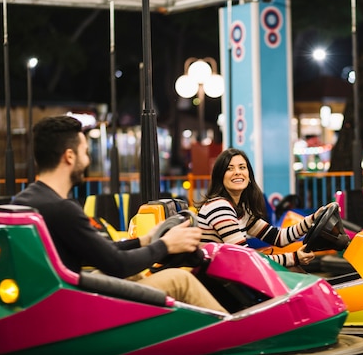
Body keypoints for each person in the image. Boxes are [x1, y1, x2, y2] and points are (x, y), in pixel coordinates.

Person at [13, 115, 227, 313]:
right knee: (180, 280)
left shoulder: (28, 199)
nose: (87, 161)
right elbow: (117, 264)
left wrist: (143, 240)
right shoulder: (62, 209)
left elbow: (100, 251)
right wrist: (165, 246)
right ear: (69, 156)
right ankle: (237, 335)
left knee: (136, 273)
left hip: (52, 296)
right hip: (73, 306)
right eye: (85, 152)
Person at [197, 148, 336, 269]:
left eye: (242, 167)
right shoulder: (219, 207)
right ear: (219, 177)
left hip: (226, 274)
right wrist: (293, 258)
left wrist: (313, 219)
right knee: (292, 271)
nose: (237, 172)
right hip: (215, 281)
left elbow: (278, 237)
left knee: (293, 272)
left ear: (249, 176)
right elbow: (246, 258)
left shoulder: (240, 210)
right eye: (229, 168)